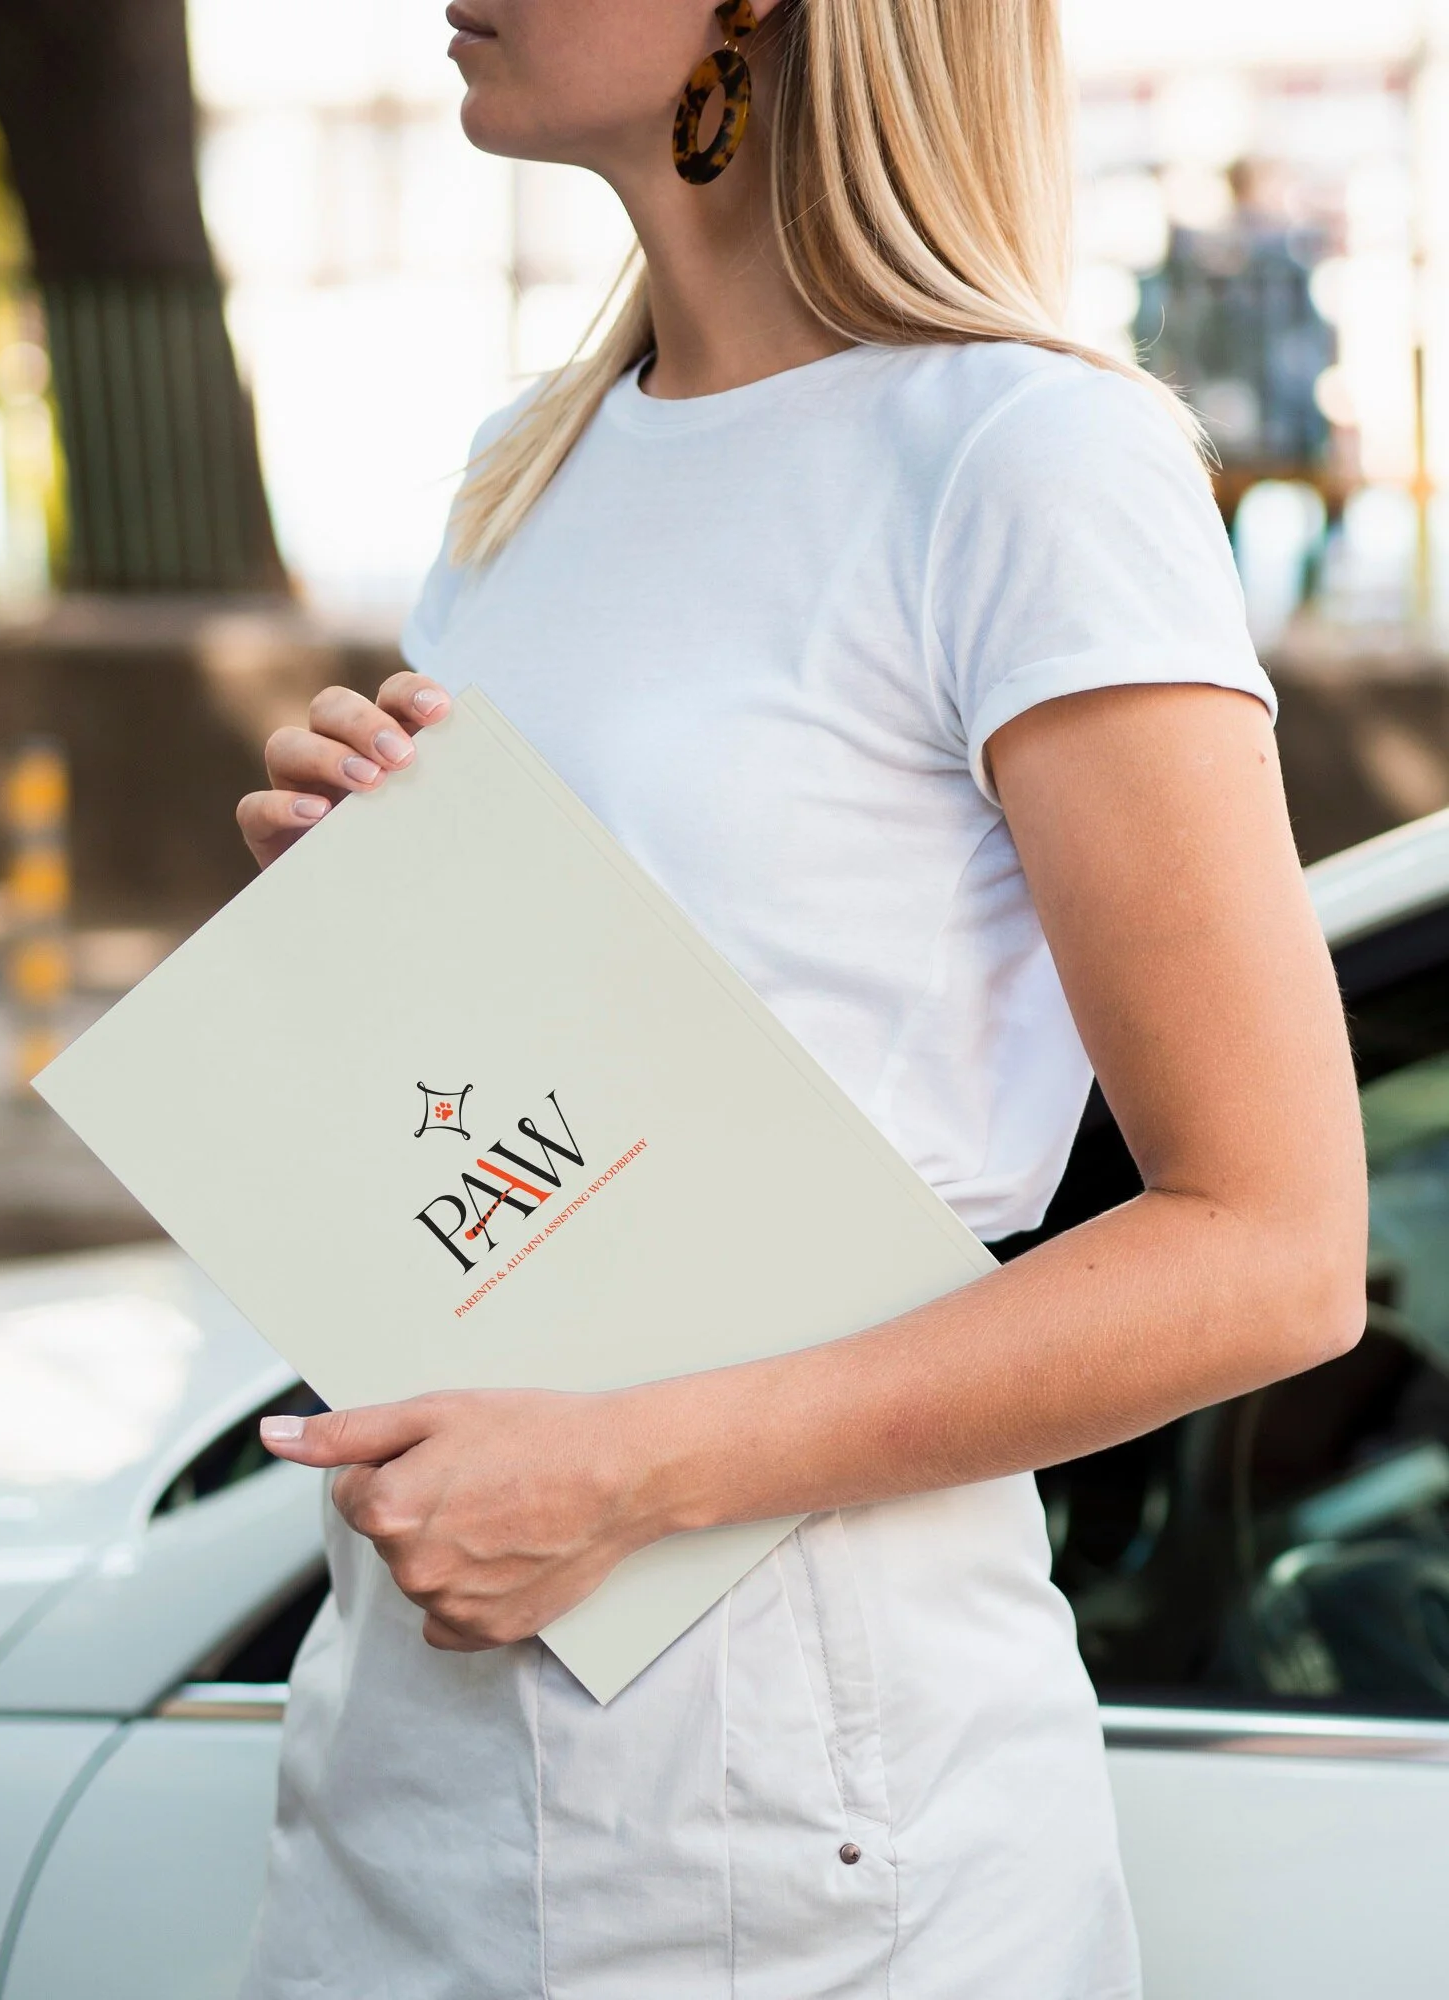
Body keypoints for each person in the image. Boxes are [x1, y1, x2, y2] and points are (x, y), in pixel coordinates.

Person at [234, 3, 1365, 1994]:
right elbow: (582, 1111)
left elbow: (1274, 1251)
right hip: (407, 1742)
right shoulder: (529, 469)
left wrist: (629, 1472)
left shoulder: (1032, 460)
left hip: (802, 1777)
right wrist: (370, 925)